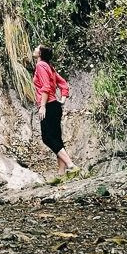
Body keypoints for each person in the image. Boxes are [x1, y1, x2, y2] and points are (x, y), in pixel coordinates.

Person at [32, 44, 76, 174]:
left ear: (40, 54)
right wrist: (62, 99)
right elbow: (64, 84)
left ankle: (70, 165)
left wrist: (42, 106)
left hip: (49, 105)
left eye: (36, 48)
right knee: (57, 139)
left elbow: (45, 87)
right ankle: (61, 173)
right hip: (55, 105)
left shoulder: (40, 66)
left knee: (47, 138)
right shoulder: (49, 67)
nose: (34, 49)